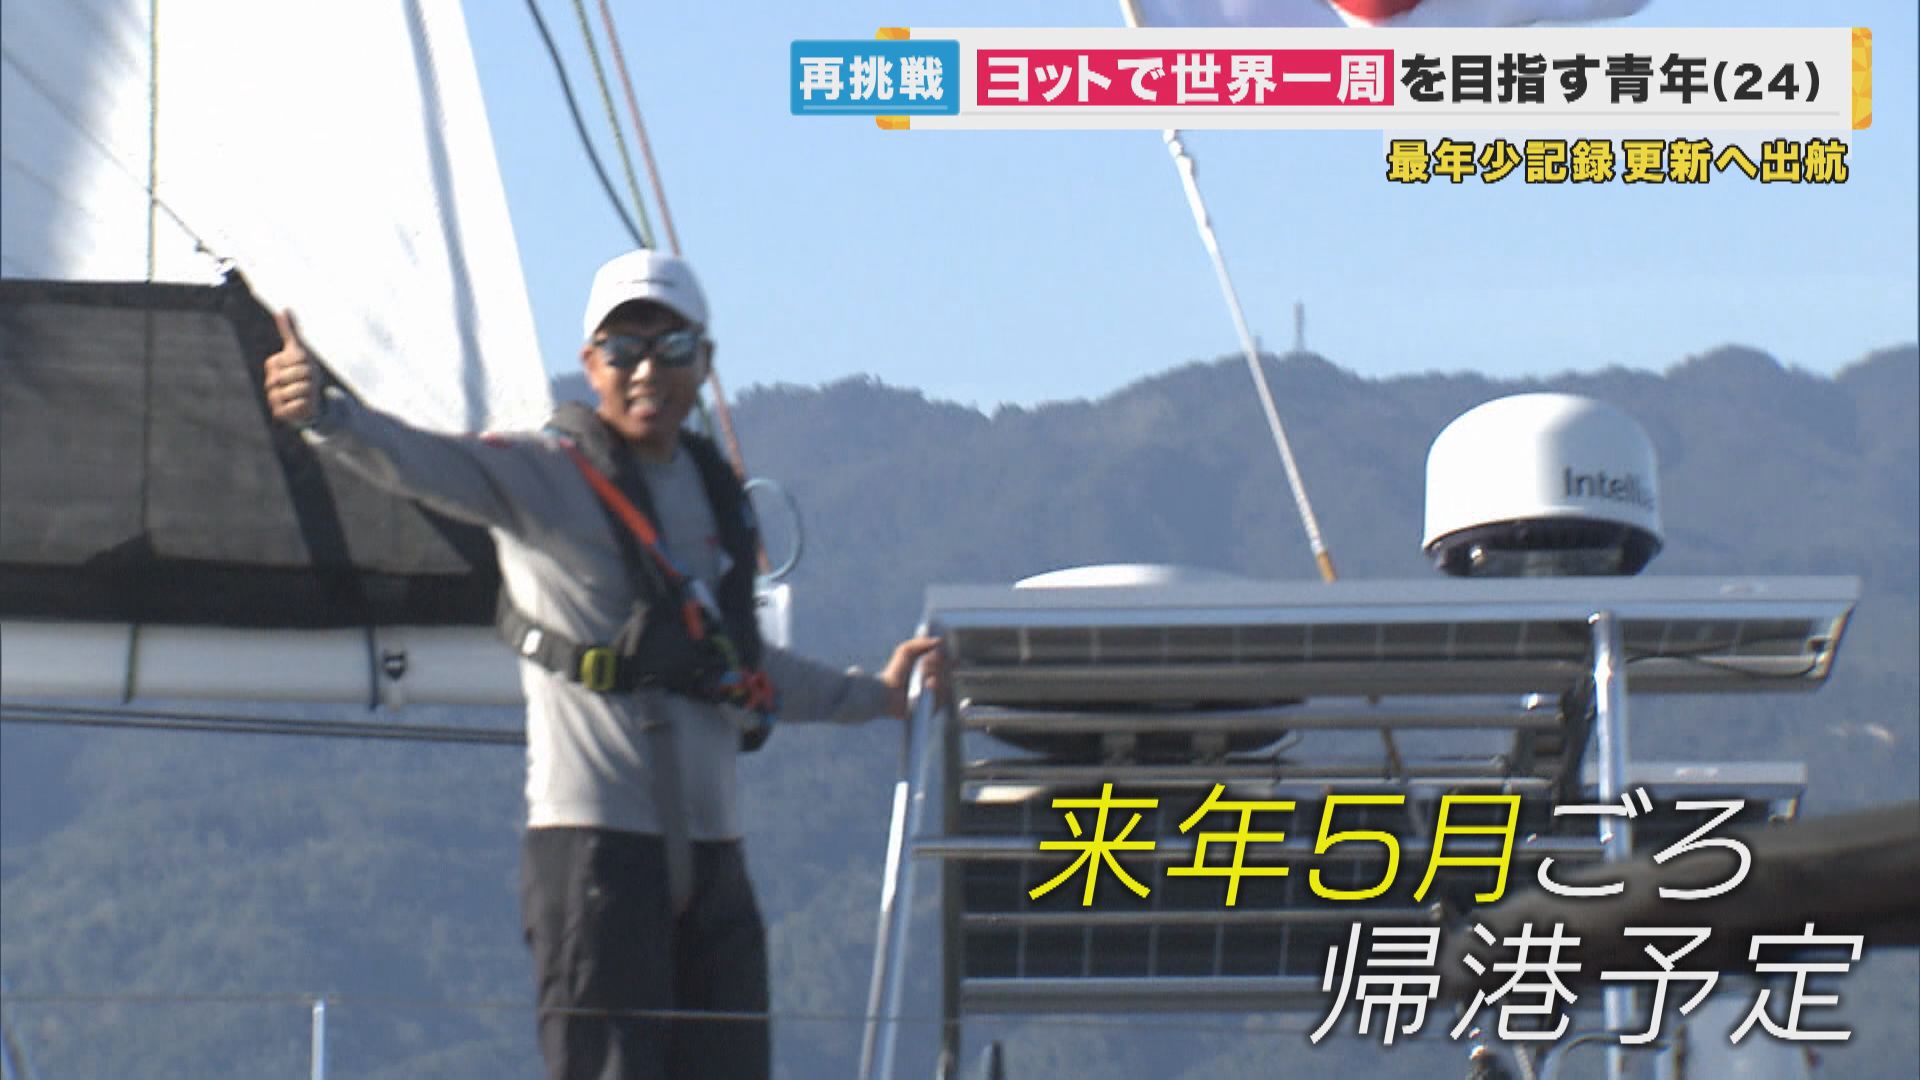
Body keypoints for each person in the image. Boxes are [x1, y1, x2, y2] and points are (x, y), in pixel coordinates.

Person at [262, 249, 946, 1080]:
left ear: (705, 362)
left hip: (713, 859)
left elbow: (741, 664)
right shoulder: (543, 475)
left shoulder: (713, 495)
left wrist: (874, 696)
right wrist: (325, 416)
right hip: (596, 856)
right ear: (591, 364)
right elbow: (422, 463)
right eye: (623, 350)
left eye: (671, 348)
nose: (646, 369)